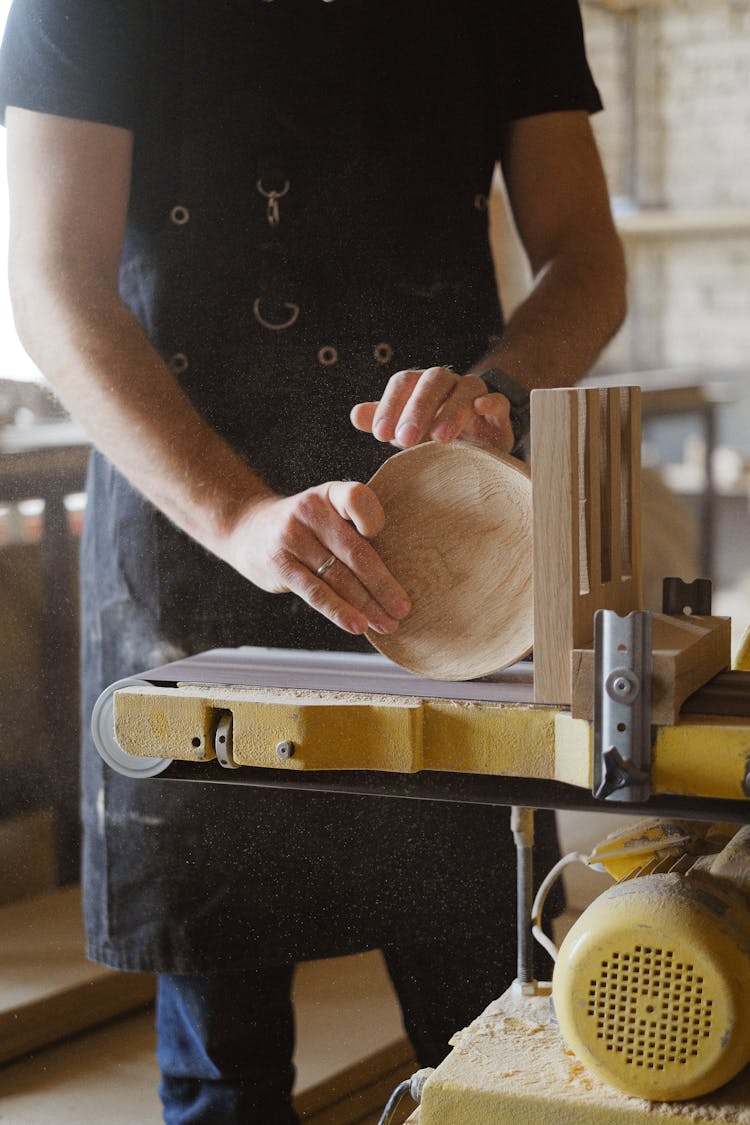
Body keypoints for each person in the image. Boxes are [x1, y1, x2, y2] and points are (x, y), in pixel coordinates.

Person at [0, 2, 626, 1122]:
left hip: (443, 561)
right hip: (194, 560)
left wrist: (504, 389)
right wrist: (239, 514)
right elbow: (50, 277)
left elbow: (587, 258)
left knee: (493, 1052)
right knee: (225, 1071)